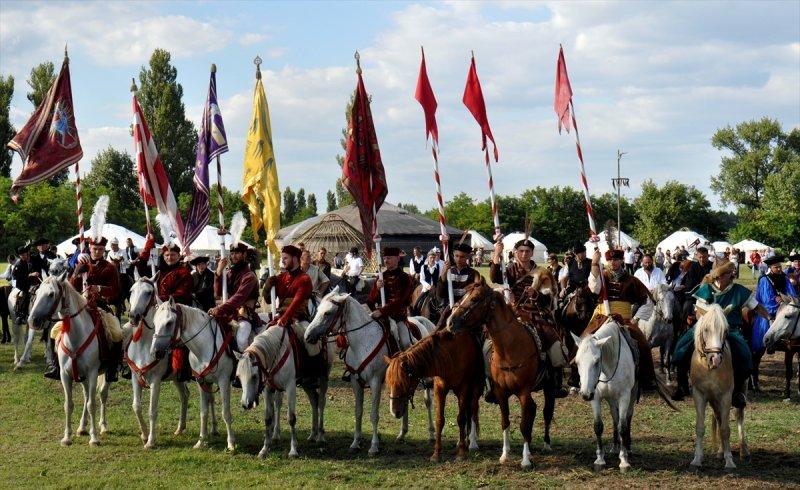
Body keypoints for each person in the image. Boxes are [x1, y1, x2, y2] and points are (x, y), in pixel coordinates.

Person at [671, 261, 769, 407]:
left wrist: (770, 318)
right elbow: (699, 312)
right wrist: (707, 323)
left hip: (730, 329)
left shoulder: (739, 290)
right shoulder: (705, 289)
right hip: (706, 327)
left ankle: (737, 392)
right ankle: (682, 385)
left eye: (728, 273)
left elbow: (757, 307)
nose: (731, 276)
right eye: (727, 273)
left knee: (744, 353)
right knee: (682, 346)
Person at [491, 238, 568, 398]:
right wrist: (496, 255)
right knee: (489, 343)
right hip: (511, 314)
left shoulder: (543, 273)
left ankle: (555, 381)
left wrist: (537, 294)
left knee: (553, 343)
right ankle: (493, 383)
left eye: (527, 251)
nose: (524, 254)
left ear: (532, 253)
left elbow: (550, 298)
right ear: (515, 252)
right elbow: (494, 277)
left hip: (535, 314)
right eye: (521, 251)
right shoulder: (508, 270)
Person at [587, 248, 658, 392]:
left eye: (616, 259)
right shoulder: (602, 276)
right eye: (610, 260)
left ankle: (648, 379)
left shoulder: (631, 280)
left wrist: (636, 318)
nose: (613, 262)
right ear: (607, 261)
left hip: (624, 319)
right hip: (601, 318)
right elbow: (594, 289)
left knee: (642, 343)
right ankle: (579, 376)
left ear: (622, 260)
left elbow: (648, 301)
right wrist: (594, 265)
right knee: (583, 342)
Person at [262, 245, 324, 385]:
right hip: (280, 318)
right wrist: (267, 287)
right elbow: (267, 299)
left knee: (309, 340)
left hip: (298, 318)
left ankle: (313, 374)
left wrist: (285, 318)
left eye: (285, 258)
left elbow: (297, 301)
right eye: (282, 258)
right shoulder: (280, 277)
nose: (282, 261)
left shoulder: (304, 279)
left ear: (295, 258)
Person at [67, 234, 121, 382]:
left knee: (117, 333)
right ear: (89, 248)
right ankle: (55, 365)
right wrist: (77, 273)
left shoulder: (110, 267)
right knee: (56, 330)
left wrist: (100, 289)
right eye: (95, 249)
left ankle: (112, 368)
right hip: (80, 306)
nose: (97, 252)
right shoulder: (82, 264)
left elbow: (115, 290)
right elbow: (72, 287)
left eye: (100, 249)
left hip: (101, 306)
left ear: (104, 250)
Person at [750, 255, 797, 391]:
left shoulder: (785, 278)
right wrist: (778, 303)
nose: (778, 269)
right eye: (776, 267)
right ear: (770, 267)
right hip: (768, 312)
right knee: (766, 329)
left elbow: (791, 293)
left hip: (784, 308)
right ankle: (768, 344)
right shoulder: (765, 280)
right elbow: (766, 300)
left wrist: (788, 301)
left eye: (780, 266)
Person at [209, 241, 260, 353]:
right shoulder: (229, 273)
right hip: (228, 313)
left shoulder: (249, 276)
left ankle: (250, 366)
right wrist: (218, 271)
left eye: (237, 253)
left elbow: (238, 298)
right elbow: (217, 293)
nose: (233, 256)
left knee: (241, 340)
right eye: (232, 253)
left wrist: (219, 309)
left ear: (244, 254)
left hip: (245, 314)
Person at [367, 246, 414, 330]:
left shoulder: (405, 278)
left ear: (397, 259)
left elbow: (399, 301)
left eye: (388, 258)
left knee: (405, 340)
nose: (385, 261)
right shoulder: (381, 277)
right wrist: (376, 289)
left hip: (398, 318)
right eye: (384, 258)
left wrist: (382, 311)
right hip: (380, 317)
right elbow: (370, 301)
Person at [437, 241, 482, 308]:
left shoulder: (474, 273)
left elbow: (478, 292)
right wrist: (444, 273)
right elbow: (440, 293)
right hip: (448, 305)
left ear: (467, 257)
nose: (458, 259)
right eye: (456, 256)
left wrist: (467, 289)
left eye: (462, 257)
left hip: (465, 307)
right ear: (453, 256)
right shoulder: (448, 271)